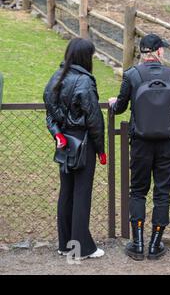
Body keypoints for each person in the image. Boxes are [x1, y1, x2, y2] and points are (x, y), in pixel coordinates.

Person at [109, 34, 170, 261]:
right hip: (168, 143)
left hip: (140, 143)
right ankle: (155, 244)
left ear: (142, 52)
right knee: (163, 193)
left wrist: (113, 104)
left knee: (138, 191)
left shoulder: (131, 75)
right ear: (159, 52)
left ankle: (137, 243)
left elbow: (120, 108)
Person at [43, 38, 107, 259]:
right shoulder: (84, 82)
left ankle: (65, 245)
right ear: (84, 57)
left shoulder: (56, 77)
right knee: (81, 194)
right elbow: (94, 119)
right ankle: (81, 249)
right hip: (83, 142)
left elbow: (50, 113)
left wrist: (58, 135)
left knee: (66, 192)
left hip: (65, 143)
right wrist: (101, 149)